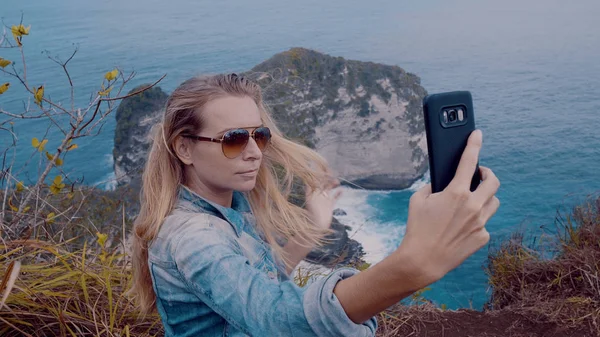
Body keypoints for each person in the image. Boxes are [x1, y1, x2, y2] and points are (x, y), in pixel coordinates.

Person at [129, 73, 500, 337]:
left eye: (260, 135)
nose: (255, 152)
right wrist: (411, 265)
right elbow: (276, 320)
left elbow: (259, 285)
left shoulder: (228, 206)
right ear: (183, 147)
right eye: (233, 139)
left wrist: (315, 226)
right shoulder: (194, 237)